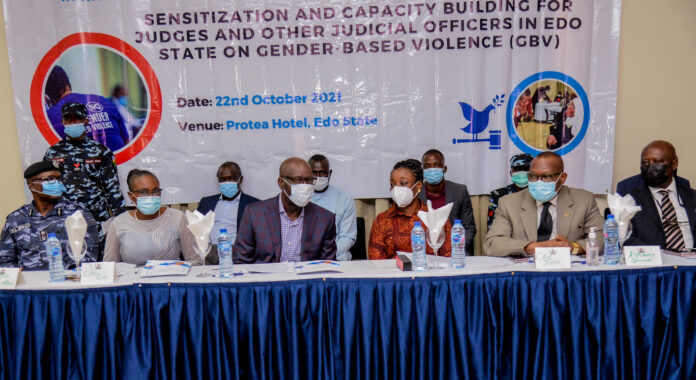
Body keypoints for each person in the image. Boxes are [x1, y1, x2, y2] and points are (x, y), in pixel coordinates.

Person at [485, 152, 604, 257]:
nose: (538, 182)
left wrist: (573, 247)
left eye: (546, 176)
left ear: (562, 178)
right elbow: (492, 243)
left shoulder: (584, 200)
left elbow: (602, 238)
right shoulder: (508, 203)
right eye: (533, 176)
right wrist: (536, 247)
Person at [234, 157, 337, 263]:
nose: (305, 186)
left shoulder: (325, 219)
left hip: (306, 279)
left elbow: (328, 266)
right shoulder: (254, 214)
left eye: (309, 180)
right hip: (267, 279)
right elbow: (241, 261)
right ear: (281, 183)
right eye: (298, 180)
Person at [0, 161, 99, 269]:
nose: (57, 183)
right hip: (29, 283)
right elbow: (5, 259)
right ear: (32, 185)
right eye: (51, 179)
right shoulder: (16, 218)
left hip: (68, 282)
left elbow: (89, 255)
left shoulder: (78, 214)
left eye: (59, 179)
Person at [43, 102, 126, 227]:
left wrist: (122, 222)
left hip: (97, 220)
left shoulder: (101, 152)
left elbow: (112, 190)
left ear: (86, 121)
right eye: (69, 119)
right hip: (64, 220)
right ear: (63, 121)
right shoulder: (53, 153)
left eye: (77, 119)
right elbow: (47, 189)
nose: (73, 123)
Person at [104, 169, 196, 265]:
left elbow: (194, 260)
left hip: (170, 278)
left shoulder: (177, 218)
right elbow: (109, 267)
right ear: (131, 196)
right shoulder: (119, 224)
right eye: (144, 192)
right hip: (132, 279)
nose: (151, 196)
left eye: (155, 191)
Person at [369, 159, 452, 259]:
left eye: (403, 183)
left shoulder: (436, 219)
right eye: (392, 184)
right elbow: (376, 261)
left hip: (428, 273)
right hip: (393, 274)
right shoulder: (382, 221)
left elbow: (449, 259)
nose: (396, 189)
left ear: (418, 186)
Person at [625, 141, 696, 250]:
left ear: (674, 164)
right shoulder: (630, 200)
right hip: (655, 263)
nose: (650, 166)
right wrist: (655, 256)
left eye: (657, 161)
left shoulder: (692, 196)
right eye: (645, 162)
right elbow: (626, 239)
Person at [45, 65, 130, 152]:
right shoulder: (104, 102)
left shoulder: (48, 119)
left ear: (46, 98)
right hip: (118, 163)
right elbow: (127, 144)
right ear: (68, 85)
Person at [418, 149, 475, 255]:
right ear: (422, 170)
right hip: (424, 252)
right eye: (427, 166)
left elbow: (469, 228)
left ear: (444, 169)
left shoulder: (460, 191)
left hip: (455, 250)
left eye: (436, 165)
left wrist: (455, 249)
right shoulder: (416, 193)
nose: (432, 169)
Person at [308, 154, 357, 261]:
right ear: (308, 174)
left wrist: (327, 253)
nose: (319, 176)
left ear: (329, 173)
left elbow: (348, 237)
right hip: (307, 259)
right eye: (314, 173)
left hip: (337, 259)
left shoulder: (345, 199)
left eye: (322, 173)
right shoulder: (302, 197)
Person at [197, 161, 260, 243]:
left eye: (231, 178)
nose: (227, 182)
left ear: (240, 180)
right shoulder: (206, 202)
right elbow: (196, 230)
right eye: (222, 179)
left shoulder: (254, 205)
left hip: (236, 252)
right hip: (208, 250)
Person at [488, 153, 533, 227]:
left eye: (526, 169)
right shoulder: (498, 195)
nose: (521, 173)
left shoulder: (538, 194)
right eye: (517, 169)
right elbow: (493, 227)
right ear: (511, 173)